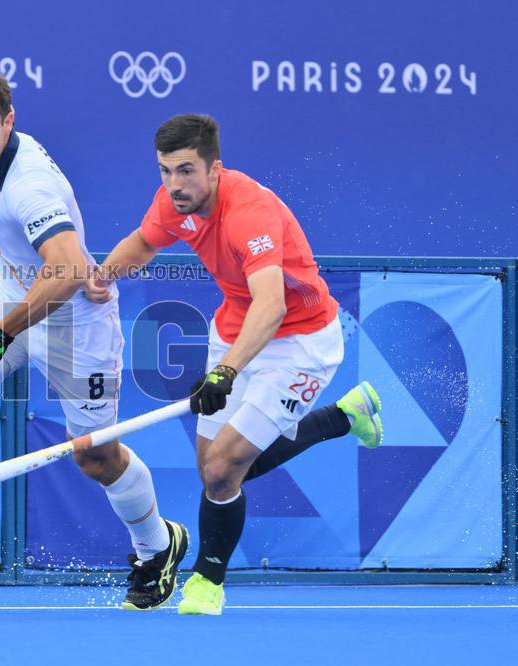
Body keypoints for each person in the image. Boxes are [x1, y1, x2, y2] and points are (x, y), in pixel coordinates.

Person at [0, 70, 188, 610]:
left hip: (72, 320)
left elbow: (68, 270)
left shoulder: (31, 188)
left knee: (94, 457)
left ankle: (157, 546)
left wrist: (1, 333)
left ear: (9, 122)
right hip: (9, 291)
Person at [87, 114, 382, 616]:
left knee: (224, 469)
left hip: (300, 340)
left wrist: (226, 373)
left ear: (215, 168)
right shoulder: (173, 203)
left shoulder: (251, 212)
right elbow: (143, 241)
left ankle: (208, 579)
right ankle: (343, 416)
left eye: (185, 171)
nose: (174, 185)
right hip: (232, 330)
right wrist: (102, 276)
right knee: (214, 471)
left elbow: (272, 305)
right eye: (164, 171)